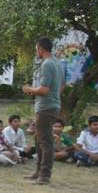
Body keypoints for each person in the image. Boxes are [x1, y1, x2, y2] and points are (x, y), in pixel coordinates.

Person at [23, 36, 64, 185]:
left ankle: (44, 175)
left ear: (40, 49)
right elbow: (61, 87)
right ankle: (38, 172)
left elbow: (44, 89)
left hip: (45, 107)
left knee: (45, 142)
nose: (36, 52)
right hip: (52, 105)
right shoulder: (57, 64)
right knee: (38, 139)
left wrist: (29, 89)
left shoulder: (46, 64)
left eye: (36, 49)